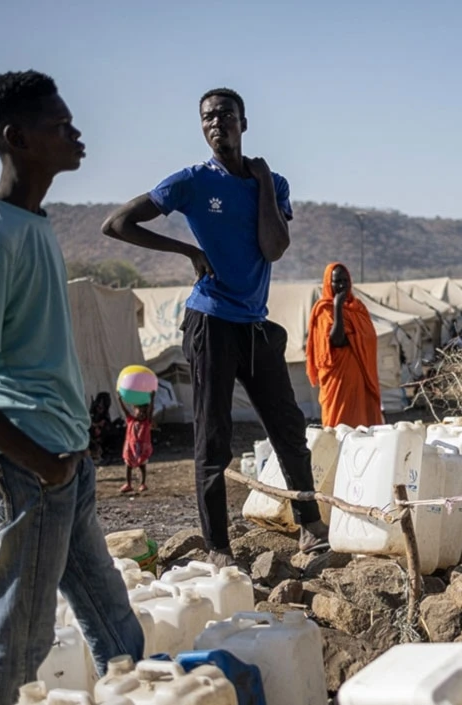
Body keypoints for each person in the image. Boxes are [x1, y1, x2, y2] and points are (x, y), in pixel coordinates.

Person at [0, 71, 144, 705]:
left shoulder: (33, 223)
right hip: (29, 465)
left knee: (113, 623)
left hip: (61, 459)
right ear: (16, 138)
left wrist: (67, 458)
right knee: (22, 639)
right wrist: (42, 464)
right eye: (60, 125)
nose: (76, 134)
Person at [102, 88, 326, 560]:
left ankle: (310, 525)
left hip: (255, 325)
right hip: (210, 320)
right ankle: (219, 546)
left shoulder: (274, 183)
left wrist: (262, 181)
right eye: (206, 117)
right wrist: (186, 251)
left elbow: (274, 248)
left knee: (288, 426)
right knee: (213, 435)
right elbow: (118, 223)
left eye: (225, 114)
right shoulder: (192, 182)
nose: (215, 123)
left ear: (244, 123)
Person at [307, 263, 384, 429]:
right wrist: (337, 308)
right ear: (329, 283)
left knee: (364, 427)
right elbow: (337, 340)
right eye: (337, 281)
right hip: (338, 381)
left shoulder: (358, 308)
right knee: (340, 426)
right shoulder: (324, 309)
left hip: (362, 378)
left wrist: (357, 338)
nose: (342, 285)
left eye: (345, 280)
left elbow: (369, 336)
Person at [117, 391, 154, 493]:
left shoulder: (146, 422)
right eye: (139, 411)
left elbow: (151, 411)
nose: (142, 414)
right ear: (134, 411)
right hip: (130, 447)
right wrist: (120, 400)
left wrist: (152, 398)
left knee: (142, 466)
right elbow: (125, 411)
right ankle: (128, 484)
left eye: (144, 412)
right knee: (128, 466)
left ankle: (143, 483)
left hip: (142, 448)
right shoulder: (131, 420)